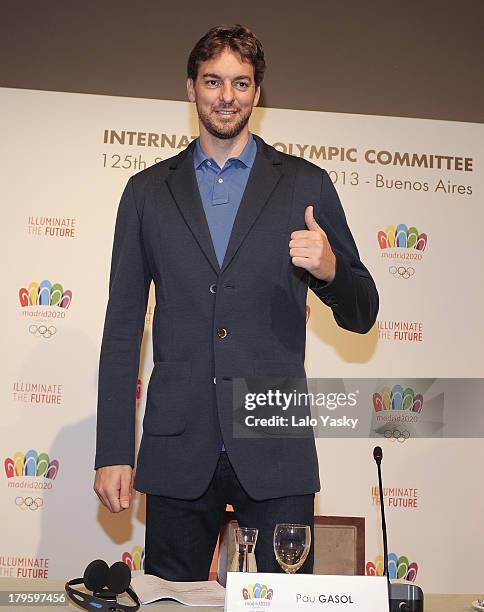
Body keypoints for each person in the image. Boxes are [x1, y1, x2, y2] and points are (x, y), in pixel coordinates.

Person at [94, 24, 378, 580]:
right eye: (213, 81)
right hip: (179, 446)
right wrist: (112, 450)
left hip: (275, 441)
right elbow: (123, 328)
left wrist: (330, 269)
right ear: (190, 87)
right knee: (168, 601)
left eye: (241, 83)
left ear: (257, 91)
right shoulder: (147, 192)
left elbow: (363, 311)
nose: (227, 96)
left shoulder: (306, 185)